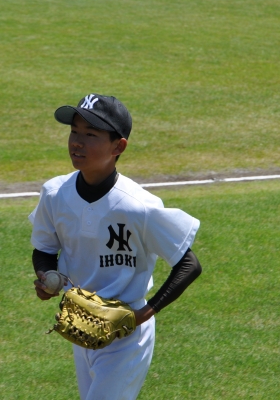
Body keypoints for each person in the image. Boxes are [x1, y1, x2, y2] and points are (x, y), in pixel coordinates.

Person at [29, 93, 202, 400]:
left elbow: (188, 264)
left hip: (127, 337)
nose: (77, 142)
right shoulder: (55, 193)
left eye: (90, 135)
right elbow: (44, 248)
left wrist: (142, 315)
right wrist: (45, 277)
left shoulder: (139, 207)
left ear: (118, 147)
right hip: (82, 326)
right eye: (74, 131)